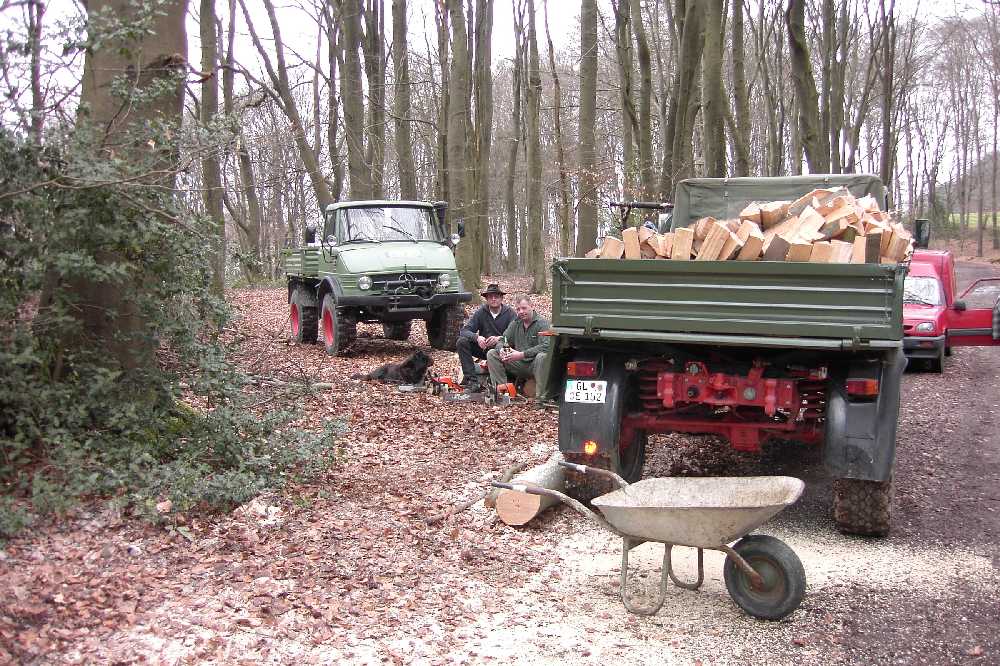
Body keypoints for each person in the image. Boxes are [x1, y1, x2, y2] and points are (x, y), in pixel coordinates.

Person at [486, 294, 552, 403]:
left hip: (534, 365)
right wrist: (501, 350)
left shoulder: (542, 323)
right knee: (492, 353)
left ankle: (541, 399)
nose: (521, 312)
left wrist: (522, 354)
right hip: (518, 363)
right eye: (518, 309)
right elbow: (503, 340)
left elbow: (546, 346)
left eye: (524, 308)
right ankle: (503, 393)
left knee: (542, 356)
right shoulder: (516, 323)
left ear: (532, 306)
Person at [456, 283, 516, 389]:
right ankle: (472, 381)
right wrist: (477, 337)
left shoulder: (510, 313)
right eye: (490, 297)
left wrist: (499, 338)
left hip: (503, 349)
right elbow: (464, 331)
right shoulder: (481, 312)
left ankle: (505, 381)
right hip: (484, 348)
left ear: (501, 298)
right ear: (486, 299)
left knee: (502, 349)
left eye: (496, 296)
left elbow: (515, 334)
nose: (493, 299)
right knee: (462, 342)